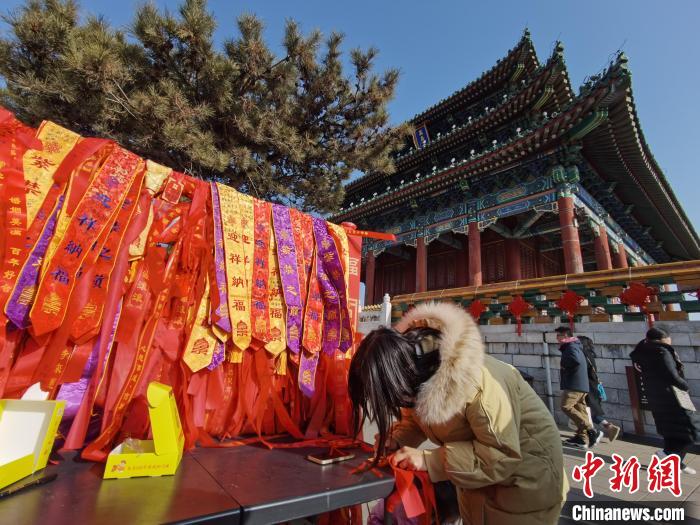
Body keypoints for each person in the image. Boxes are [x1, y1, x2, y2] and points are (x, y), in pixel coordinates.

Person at [349, 301, 568, 525]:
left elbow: (501, 455)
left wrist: (430, 460)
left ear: (399, 375)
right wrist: (395, 439)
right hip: (478, 483)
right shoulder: (415, 373)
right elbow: (416, 419)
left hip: (526, 484)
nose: (394, 402)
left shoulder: (477, 383)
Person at [630, 327, 699, 475]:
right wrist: (685, 386)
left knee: (671, 431)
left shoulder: (641, 352)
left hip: (655, 397)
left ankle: (675, 462)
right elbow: (672, 375)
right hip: (672, 397)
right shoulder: (661, 351)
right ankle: (667, 456)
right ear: (664, 338)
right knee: (692, 431)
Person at [555, 326, 602, 449]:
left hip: (574, 384)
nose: (557, 338)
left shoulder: (571, 347)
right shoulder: (576, 345)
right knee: (580, 410)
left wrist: (565, 366)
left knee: (566, 406)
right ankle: (582, 438)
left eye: (558, 335)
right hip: (580, 385)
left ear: (565, 335)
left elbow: (574, 360)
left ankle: (591, 430)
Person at [578, 335, 621, 442]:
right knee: (590, 411)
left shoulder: (583, 355)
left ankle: (591, 433)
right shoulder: (589, 354)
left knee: (584, 410)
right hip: (592, 386)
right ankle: (608, 427)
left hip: (586, 386)